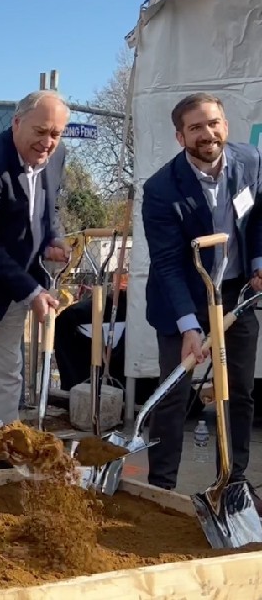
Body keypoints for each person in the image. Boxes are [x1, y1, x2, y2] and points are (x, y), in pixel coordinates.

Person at [141, 92, 262, 491]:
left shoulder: (250, 161)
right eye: (195, 127)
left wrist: (258, 264)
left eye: (213, 123)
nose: (207, 134)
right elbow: (168, 264)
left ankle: (233, 485)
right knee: (173, 394)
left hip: (235, 290)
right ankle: (160, 488)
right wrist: (190, 327)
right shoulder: (161, 189)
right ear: (180, 137)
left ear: (225, 125)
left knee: (237, 392)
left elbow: (258, 217)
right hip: (185, 294)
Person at [0, 90, 71, 472]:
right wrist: (32, 290)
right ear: (16, 123)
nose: (48, 142)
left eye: (56, 133)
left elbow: (49, 207)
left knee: (7, 374)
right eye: (40, 131)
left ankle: (6, 457)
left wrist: (54, 238)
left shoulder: (55, 158)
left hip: (17, 285)